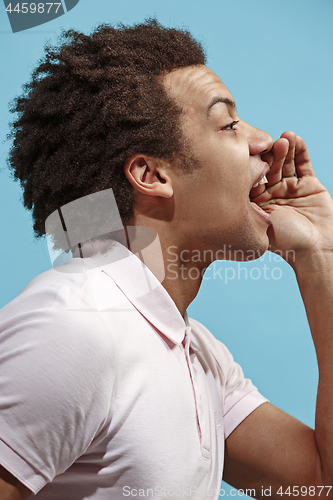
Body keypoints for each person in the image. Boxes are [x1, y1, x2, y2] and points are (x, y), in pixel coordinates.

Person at [1, 18, 332, 500]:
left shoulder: (197, 353)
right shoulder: (74, 324)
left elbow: (321, 485)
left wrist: (320, 256)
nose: (265, 143)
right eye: (230, 124)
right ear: (151, 174)